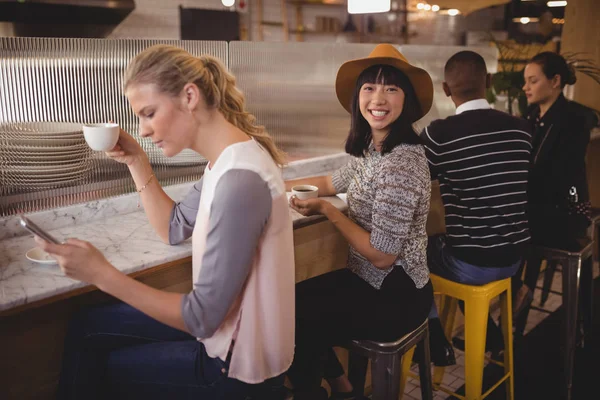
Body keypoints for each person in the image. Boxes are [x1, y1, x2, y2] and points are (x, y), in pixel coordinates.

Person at [35, 44, 295, 400]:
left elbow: (202, 317)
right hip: (224, 339)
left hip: (234, 371)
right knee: (86, 326)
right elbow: (173, 226)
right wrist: (136, 161)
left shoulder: (240, 181)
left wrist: (101, 274)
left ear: (189, 96)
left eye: (149, 113)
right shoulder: (227, 160)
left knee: (102, 365)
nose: (142, 130)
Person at [284, 44, 434, 400]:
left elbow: (382, 255)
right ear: (358, 97)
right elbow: (329, 183)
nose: (378, 98)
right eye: (369, 88)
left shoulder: (402, 163)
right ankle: (343, 387)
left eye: (390, 88)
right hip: (369, 282)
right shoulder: (373, 149)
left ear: (406, 100)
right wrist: (268, 182)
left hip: (396, 295)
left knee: (290, 315)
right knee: (290, 303)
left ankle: (317, 392)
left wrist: (328, 211)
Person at [420, 51, 532, 364]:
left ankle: (433, 337)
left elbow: (413, 181)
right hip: (514, 261)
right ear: (490, 82)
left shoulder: (439, 134)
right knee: (469, 243)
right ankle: (492, 335)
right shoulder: (522, 129)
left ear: (445, 89)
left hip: (470, 264)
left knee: (412, 249)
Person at [517, 51, 597, 299]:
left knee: (508, 227)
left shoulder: (574, 119)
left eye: (533, 80)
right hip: (543, 205)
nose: (525, 87)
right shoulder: (533, 116)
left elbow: (563, 177)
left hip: (569, 209)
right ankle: (517, 292)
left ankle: (518, 293)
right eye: (525, 81)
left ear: (555, 82)